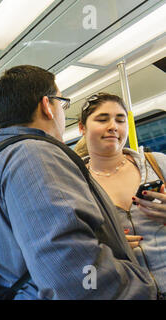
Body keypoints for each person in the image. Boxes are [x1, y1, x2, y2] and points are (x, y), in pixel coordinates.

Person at [0, 65, 156, 299]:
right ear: (47, 105)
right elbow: (69, 265)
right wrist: (139, 289)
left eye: (120, 119)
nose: (113, 127)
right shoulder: (33, 158)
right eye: (63, 104)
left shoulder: (2, 158)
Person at [78, 92, 166, 299]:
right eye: (102, 119)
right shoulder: (76, 183)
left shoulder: (158, 164)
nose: (113, 126)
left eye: (120, 119)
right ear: (82, 128)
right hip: (128, 291)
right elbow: (73, 244)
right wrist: (105, 244)